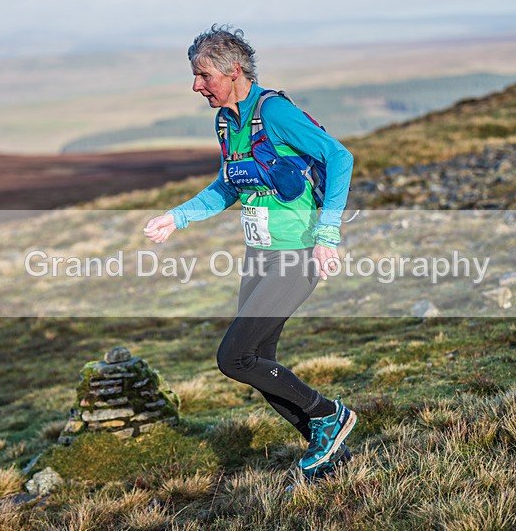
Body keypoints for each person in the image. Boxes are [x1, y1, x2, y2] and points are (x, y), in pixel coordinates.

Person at [143, 24, 356, 481]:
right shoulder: (226, 121)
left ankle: (330, 415)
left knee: (233, 358)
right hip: (257, 257)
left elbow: (340, 157)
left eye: (203, 76)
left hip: (297, 254)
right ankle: (330, 452)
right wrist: (176, 217)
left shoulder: (274, 111)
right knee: (261, 364)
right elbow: (227, 186)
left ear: (233, 70)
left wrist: (328, 234)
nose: (196, 86)